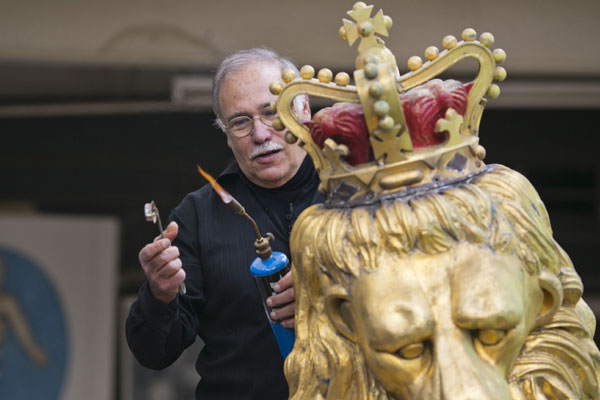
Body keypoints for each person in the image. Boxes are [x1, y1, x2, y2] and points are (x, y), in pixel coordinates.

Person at [126, 48, 323, 399]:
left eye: (271, 112)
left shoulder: (357, 191)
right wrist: (159, 295)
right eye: (240, 122)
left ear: (303, 108)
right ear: (226, 134)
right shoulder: (197, 216)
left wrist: (333, 292)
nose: (261, 134)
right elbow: (154, 352)